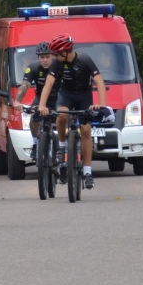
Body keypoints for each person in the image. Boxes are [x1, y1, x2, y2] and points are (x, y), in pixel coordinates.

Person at [37, 34, 108, 189]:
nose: (54, 57)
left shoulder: (84, 59)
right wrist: (42, 105)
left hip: (84, 96)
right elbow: (49, 84)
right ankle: (62, 145)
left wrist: (101, 105)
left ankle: (88, 172)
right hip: (66, 94)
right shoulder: (57, 63)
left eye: (56, 54)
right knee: (61, 114)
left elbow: (99, 82)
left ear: (65, 52)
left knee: (86, 130)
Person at [13, 41, 57, 162]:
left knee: (65, 118)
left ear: (53, 56)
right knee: (34, 117)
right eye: (42, 57)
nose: (45, 60)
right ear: (38, 58)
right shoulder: (33, 67)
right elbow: (25, 85)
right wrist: (17, 101)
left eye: (47, 57)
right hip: (41, 98)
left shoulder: (59, 67)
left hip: (59, 98)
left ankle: (65, 146)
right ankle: (36, 143)